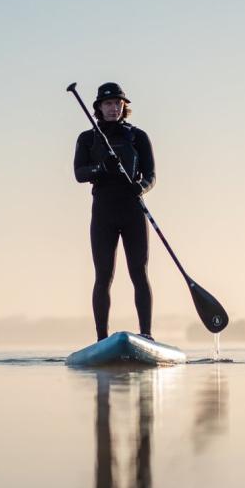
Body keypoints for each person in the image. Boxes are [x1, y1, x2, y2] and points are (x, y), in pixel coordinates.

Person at [74, 82, 156, 341]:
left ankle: (146, 334)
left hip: (133, 211)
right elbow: (79, 173)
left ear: (124, 106)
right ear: (99, 107)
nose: (113, 108)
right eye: (108, 104)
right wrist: (101, 168)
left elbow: (151, 175)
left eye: (118, 103)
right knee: (103, 276)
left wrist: (141, 186)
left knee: (139, 273)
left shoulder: (137, 136)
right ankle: (102, 339)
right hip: (103, 215)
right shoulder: (88, 138)